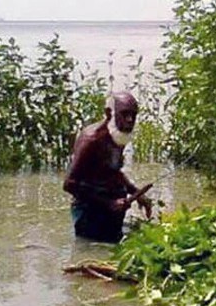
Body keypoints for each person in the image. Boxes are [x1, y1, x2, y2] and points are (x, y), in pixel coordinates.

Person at [63, 91, 152, 242]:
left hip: (113, 209)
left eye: (133, 115)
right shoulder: (91, 140)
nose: (130, 120)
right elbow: (69, 184)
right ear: (109, 113)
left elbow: (113, 172)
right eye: (124, 114)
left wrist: (137, 193)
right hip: (89, 212)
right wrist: (108, 203)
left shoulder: (118, 135)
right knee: (93, 251)